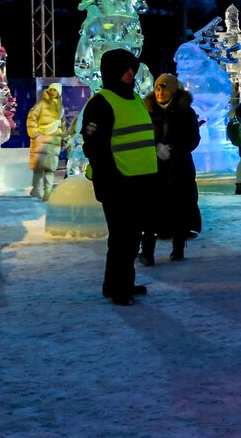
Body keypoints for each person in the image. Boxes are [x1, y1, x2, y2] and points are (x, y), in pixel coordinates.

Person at [81, 48, 158, 306]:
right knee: (122, 239)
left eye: (132, 67)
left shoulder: (134, 98)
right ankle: (119, 288)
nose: (130, 72)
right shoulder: (101, 102)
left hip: (140, 181)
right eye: (124, 68)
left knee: (131, 237)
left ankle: (116, 283)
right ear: (111, 71)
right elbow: (92, 145)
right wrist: (109, 177)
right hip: (118, 182)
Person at [143, 74, 203, 262]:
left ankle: (178, 249)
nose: (160, 92)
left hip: (180, 168)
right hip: (154, 169)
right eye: (158, 88)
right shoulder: (147, 111)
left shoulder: (186, 112)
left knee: (180, 208)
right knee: (151, 210)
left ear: (174, 89)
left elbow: (194, 138)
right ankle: (147, 252)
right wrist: (155, 147)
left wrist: (175, 149)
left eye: (165, 88)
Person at [26, 83, 65, 200]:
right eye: (51, 90)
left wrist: (64, 137)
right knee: (39, 168)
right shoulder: (41, 104)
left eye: (56, 90)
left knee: (50, 169)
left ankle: (48, 190)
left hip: (54, 141)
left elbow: (62, 124)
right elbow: (31, 118)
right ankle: (36, 189)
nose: (53, 92)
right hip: (41, 140)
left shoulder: (60, 107)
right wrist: (35, 134)